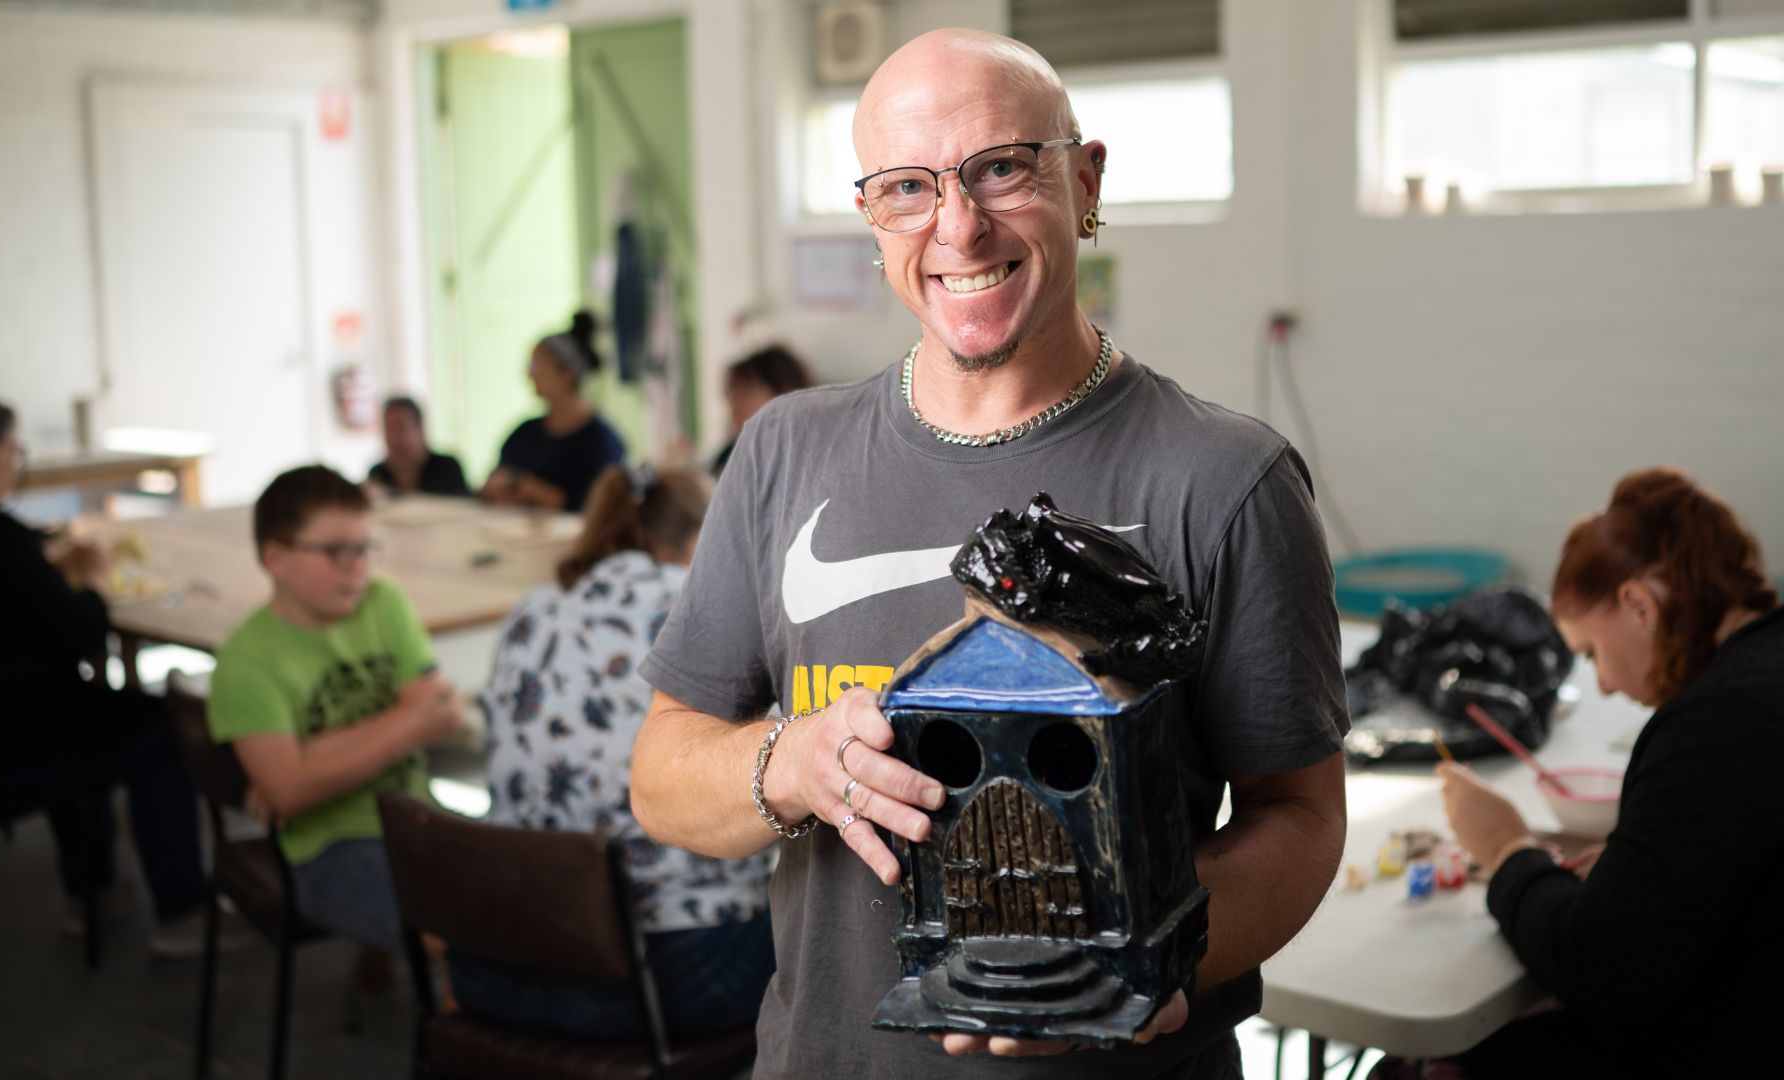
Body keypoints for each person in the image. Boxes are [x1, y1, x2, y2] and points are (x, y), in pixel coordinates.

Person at [628, 29, 1348, 1080]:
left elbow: (1300, 816)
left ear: (1085, 182)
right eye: (908, 188)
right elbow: (660, 776)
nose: (959, 227)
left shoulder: (1224, 479)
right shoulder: (783, 450)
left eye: (1001, 169)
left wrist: (1155, 963)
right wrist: (793, 762)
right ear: (873, 216)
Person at [1430, 468, 1781, 1077]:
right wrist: (1641, 869)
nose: (1605, 684)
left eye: (1592, 652)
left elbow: (1600, 969)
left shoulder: (1717, 723)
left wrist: (1507, 849)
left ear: (1639, 605)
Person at [0, 394, 215, 954]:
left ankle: (92, 893)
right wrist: (93, 582)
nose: (16, 461)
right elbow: (80, 634)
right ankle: (184, 913)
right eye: (13, 448)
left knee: (81, 702)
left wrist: (41, 566)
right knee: (154, 723)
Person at [450, 464, 776, 1039]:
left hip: (504, 958)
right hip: (663, 975)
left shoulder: (531, 611)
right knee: (831, 935)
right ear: (702, 539)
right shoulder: (703, 613)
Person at [208, 465, 464, 954]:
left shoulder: (384, 602)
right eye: (336, 552)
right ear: (276, 558)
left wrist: (312, 756)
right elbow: (289, 792)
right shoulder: (246, 660)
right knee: (457, 935)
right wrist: (409, 723)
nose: (358, 567)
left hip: (420, 814)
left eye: (365, 549)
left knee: (529, 902)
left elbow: (444, 711)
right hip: (327, 849)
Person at [478, 311, 626, 513]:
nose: (529, 374)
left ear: (567, 373)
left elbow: (591, 507)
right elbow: (492, 483)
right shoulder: (524, 433)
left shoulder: (601, 442)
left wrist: (525, 485)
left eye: (537, 364)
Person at [712, 344, 814, 476]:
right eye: (731, 393)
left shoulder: (810, 458)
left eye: (746, 391)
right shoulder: (728, 456)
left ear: (784, 394)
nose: (734, 402)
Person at [366, 396, 468, 497]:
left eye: (400, 427)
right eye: (388, 428)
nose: (393, 437)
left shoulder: (447, 469)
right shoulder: (378, 474)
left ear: (420, 429)